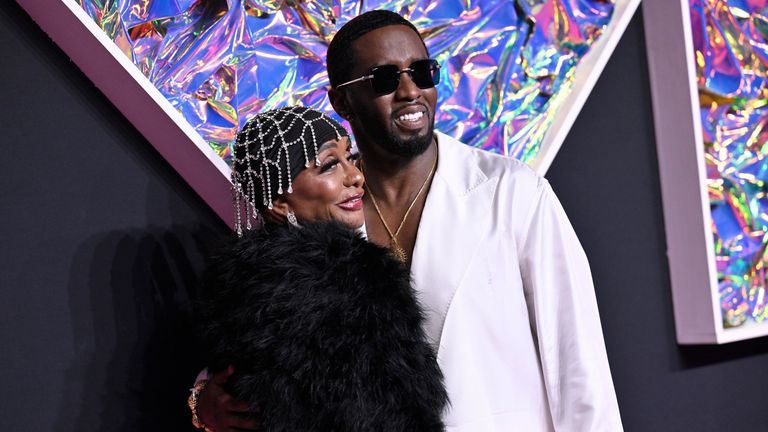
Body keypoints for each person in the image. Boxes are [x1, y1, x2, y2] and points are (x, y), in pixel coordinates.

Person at [197, 11, 623, 431]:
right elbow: (269, 335)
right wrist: (204, 399)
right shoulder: (326, 210)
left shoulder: (511, 192)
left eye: (422, 71)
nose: (410, 91)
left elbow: (577, 361)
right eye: (384, 78)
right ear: (342, 100)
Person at [190, 106, 448, 432]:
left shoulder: (243, 287)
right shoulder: (354, 281)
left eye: (350, 159)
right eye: (328, 166)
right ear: (279, 201)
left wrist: (200, 401)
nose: (355, 176)